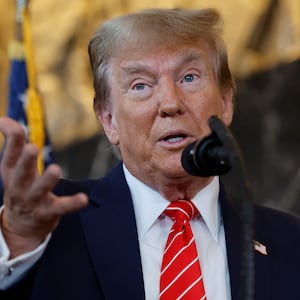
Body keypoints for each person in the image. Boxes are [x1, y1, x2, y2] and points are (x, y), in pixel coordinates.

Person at [0, 8, 299, 300]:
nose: (170, 102)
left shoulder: (290, 240)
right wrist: (16, 240)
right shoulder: (52, 226)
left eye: (189, 78)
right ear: (109, 120)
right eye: (140, 84)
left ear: (225, 101)